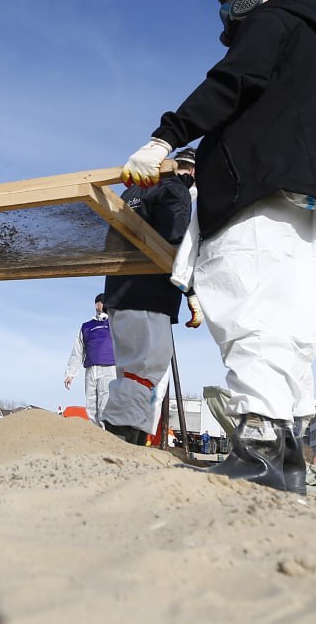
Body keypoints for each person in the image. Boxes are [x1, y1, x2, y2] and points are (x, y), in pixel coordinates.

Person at [120, 0, 316, 494]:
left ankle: (258, 456)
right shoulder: (307, 47)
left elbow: (233, 79)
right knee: (293, 329)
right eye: (227, 4)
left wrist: (168, 135)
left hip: (258, 194)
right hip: (309, 203)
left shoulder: (271, 23)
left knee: (251, 313)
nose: (233, 10)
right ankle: (290, 459)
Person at [98, 151, 197, 445]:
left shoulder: (132, 191)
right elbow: (176, 243)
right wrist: (192, 290)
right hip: (150, 295)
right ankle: (126, 443)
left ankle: (122, 439)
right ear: (191, 173)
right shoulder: (176, 190)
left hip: (119, 292)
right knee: (145, 371)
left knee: (129, 371)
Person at [63, 295, 116, 426]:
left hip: (109, 368)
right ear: (96, 304)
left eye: (106, 303)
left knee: (105, 404)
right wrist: (70, 373)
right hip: (91, 369)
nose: (104, 305)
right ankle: (94, 433)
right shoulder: (86, 326)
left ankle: (105, 434)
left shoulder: (115, 323)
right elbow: (78, 351)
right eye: (102, 303)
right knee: (91, 405)